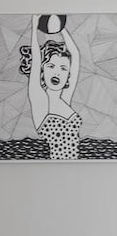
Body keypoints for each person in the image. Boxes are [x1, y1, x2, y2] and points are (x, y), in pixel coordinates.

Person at [19, 14, 82, 160]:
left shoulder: (64, 98)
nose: (57, 73)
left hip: (73, 166)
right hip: (55, 165)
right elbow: (36, 58)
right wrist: (34, 25)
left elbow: (76, 55)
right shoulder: (40, 98)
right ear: (42, 70)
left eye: (63, 68)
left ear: (68, 74)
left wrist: (62, 28)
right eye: (51, 66)